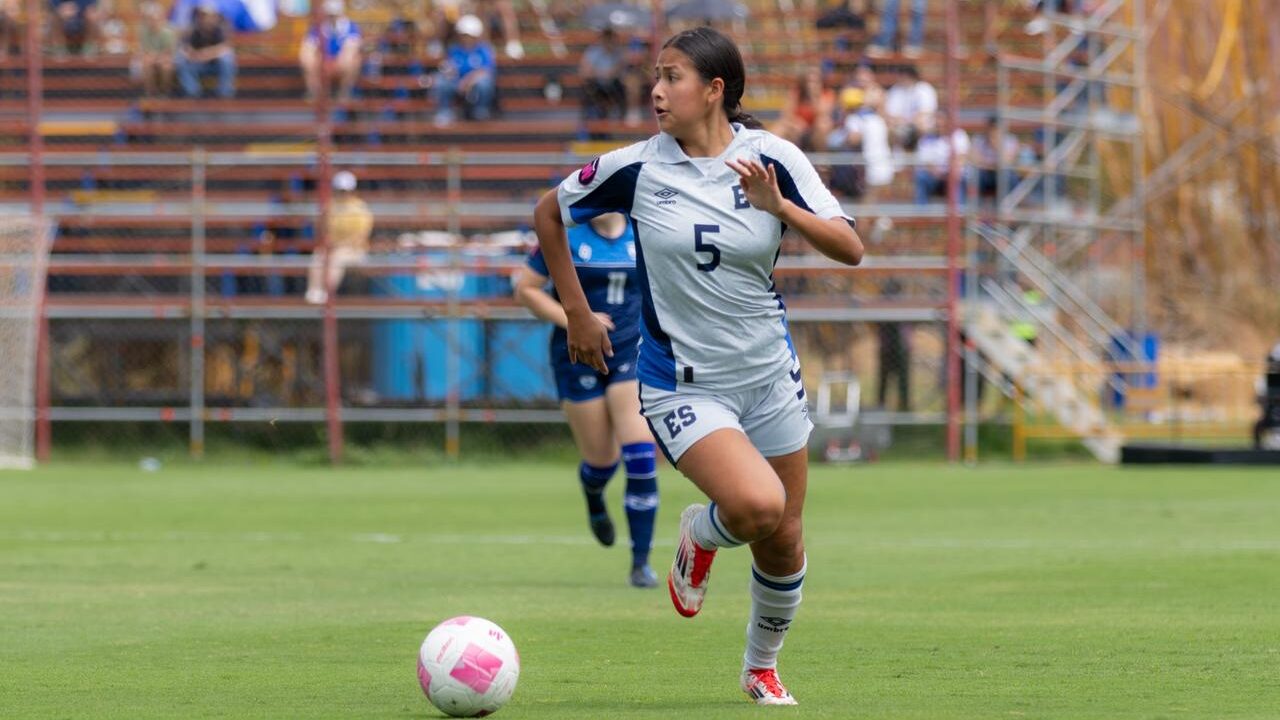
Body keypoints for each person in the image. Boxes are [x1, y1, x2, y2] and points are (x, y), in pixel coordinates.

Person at [531, 26, 863, 705]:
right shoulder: (638, 167)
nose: (656, 90)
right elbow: (548, 212)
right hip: (683, 383)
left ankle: (760, 668)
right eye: (656, 75)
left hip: (770, 376)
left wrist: (782, 208)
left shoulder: (774, 158)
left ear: (714, 90)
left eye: (672, 76)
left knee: (784, 535)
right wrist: (577, 312)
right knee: (754, 505)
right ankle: (700, 530)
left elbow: (851, 248)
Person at [512, 211, 660, 588]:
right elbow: (526, 288)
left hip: (630, 351)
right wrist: (574, 319)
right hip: (576, 353)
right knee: (601, 461)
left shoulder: (646, 231)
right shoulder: (567, 237)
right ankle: (594, 493)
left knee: (640, 451)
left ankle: (640, 563)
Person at [306, 171, 373, 305]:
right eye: (340, 190)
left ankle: (327, 294)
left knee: (336, 259)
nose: (343, 193)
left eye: (345, 190)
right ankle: (314, 291)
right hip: (333, 247)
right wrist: (329, 243)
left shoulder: (360, 209)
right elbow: (321, 229)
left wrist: (338, 245)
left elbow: (360, 238)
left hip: (354, 250)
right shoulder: (330, 207)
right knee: (318, 256)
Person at [433, 14, 497, 125]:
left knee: (484, 83)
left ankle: (480, 111)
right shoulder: (454, 50)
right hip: (457, 83)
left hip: (474, 85)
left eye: (469, 35)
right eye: (464, 35)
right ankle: (445, 112)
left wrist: (467, 82)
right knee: (441, 81)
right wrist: (450, 74)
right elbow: (449, 67)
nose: (466, 38)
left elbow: (486, 70)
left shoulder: (483, 50)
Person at [299, 0, 363, 102]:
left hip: (341, 60)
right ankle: (315, 93)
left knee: (353, 61)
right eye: (330, 14)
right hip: (323, 59)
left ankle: (344, 94)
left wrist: (339, 61)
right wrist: (313, 56)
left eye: (335, 14)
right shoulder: (317, 26)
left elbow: (351, 47)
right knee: (306, 57)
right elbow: (309, 45)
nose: (332, 17)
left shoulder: (351, 26)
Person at [175, 3, 235, 99]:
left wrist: (207, 53)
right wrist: (194, 54)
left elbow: (225, 47)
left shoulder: (219, 30)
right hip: (197, 64)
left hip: (215, 65)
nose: (206, 19)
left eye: (209, 16)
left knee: (227, 58)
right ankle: (192, 91)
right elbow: (184, 48)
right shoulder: (193, 29)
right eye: (203, 16)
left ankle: (224, 92)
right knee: (180, 59)